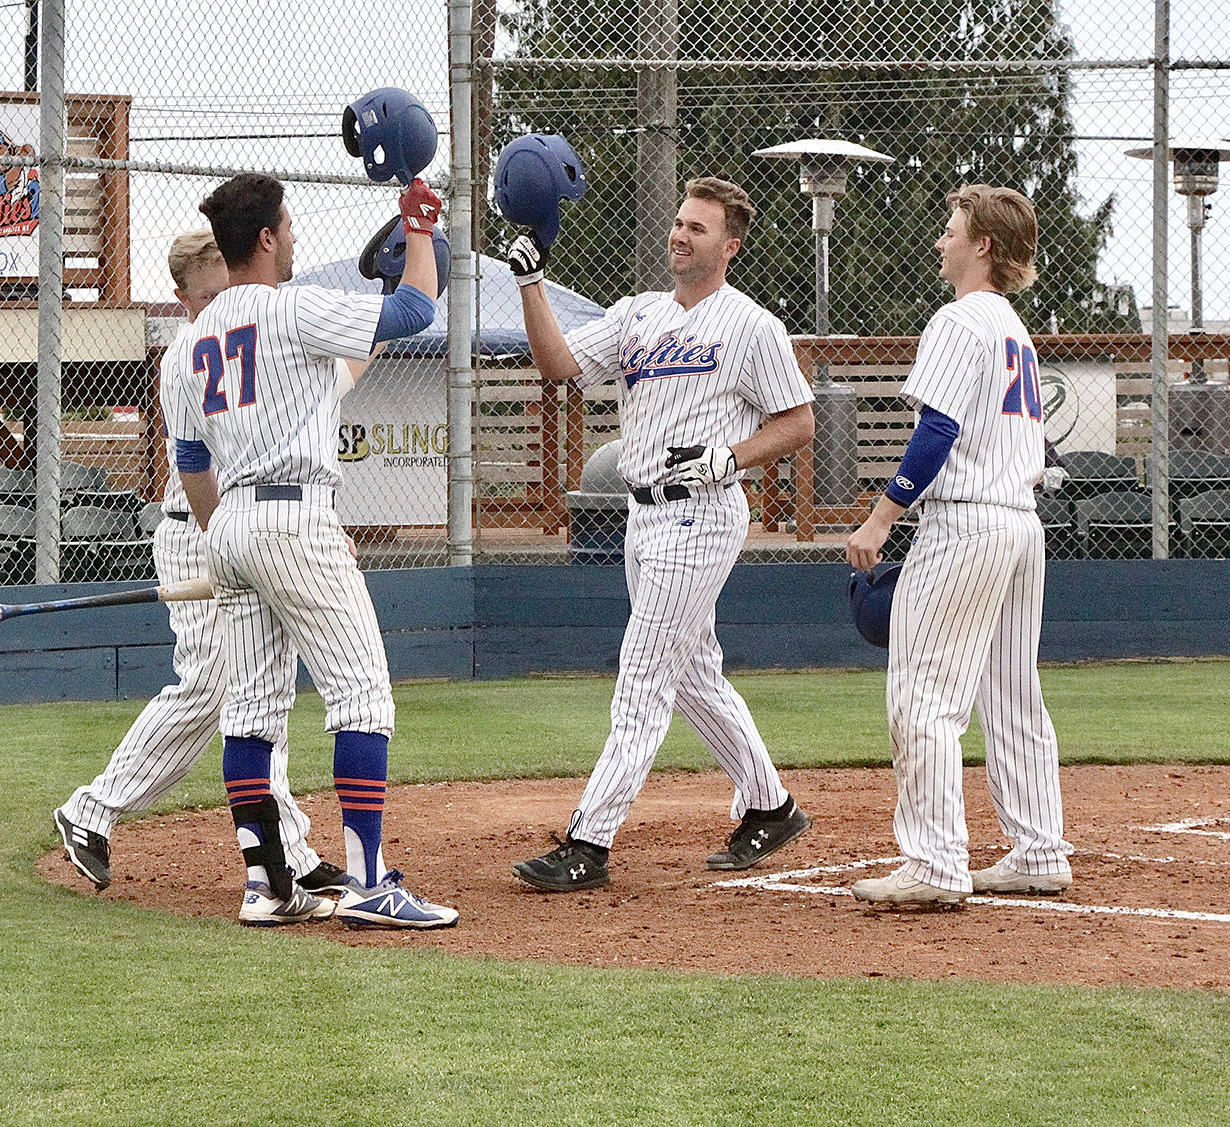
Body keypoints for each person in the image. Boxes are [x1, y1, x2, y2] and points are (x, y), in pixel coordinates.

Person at [163, 172, 457, 929]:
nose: (294, 237)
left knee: (252, 712)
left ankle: (267, 885)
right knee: (363, 695)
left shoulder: (194, 341)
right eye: (287, 227)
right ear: (263, 238)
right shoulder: (290, 309)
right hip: (295, 513)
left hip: (230, 522)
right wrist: (418, 227)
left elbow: (194, 464)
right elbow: (416, 309)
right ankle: (368, 882)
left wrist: (232, 545)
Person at [508, 177, 817, 891]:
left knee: (643, 675)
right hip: (642, 514)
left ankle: (590, 840)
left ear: (729, 246)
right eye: (679, 223)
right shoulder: (637, 315)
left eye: (698, 228)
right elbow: (559, 365)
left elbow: (798, 421)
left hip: (702, 511)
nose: (680, 235)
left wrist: (730, 458)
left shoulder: (751, 326)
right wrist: (534, 285)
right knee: (692, 673)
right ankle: (771, 804)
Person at [55, 230, 348, 924]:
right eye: (208, 294)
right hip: (198, 532)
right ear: (185, 299)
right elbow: (210, 465)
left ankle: (292, 853)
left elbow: (333, 379)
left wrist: (380, 313)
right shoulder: (189, 356)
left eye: (229, 288)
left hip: (236, 536)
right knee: (216, 687)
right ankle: (89, 808)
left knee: (253, 693)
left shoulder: (259, 343)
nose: (222, 303)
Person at [845, 185, 1073, 906]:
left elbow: (937, 431)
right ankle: (1038, 850)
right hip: (1018, 523)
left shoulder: (958, 319)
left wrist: (882, 517)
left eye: (952, 231)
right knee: (1012, 696)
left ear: (983, 246)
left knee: (924, 697)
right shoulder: (1012, 325)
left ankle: (935, 864)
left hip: (968, 521)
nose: (940, 241)